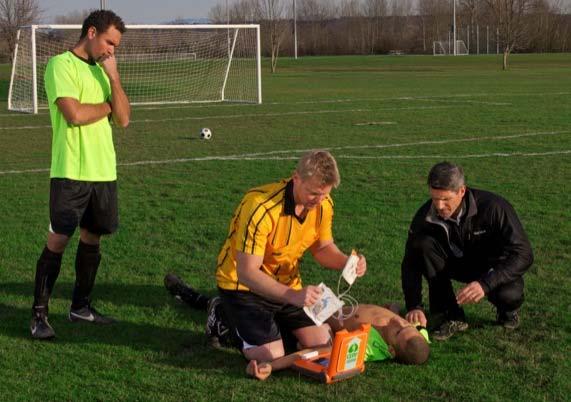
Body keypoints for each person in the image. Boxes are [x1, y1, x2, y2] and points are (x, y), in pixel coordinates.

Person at [202, 151, 367, 369]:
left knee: (323, 344)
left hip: (288, 285)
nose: (318, 201)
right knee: (270, 356)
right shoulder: (260, 207)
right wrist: (293, 296)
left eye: (324, 195)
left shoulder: (323, 205)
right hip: (242, 286)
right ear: (296, 178)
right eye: (313, 193)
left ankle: (273, 327)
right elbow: (247, 272)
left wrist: (346, 262)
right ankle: (222, 315)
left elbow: (323, 247)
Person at [30, 10, 130, 340]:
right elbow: (73, 114)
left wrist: (114, 80)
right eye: (109, 42)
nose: (111, 50)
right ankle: (39, 315)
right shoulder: (60, 65)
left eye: (115, 46)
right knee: (58, 240)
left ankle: (81, 307)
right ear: (91, 32)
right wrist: (108, 108)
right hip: (71, 170)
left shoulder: (105, 73)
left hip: (103, 170)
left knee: (93, 238)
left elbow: (125, 119)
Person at [164, 273, 430, 378]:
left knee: (261, 333)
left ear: (392, 350)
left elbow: (320, 351)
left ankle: (212, 311)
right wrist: (407, 312)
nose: (398, 322)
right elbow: (398, 316)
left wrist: (274, 366)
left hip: (314, 317)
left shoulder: (367, 346)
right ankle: (216, 305)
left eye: (398, 329)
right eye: (406, 325)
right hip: (315, 309)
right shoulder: (413, 334)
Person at [401, 161, 533, 341]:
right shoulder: (425, 216)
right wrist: (414, 305)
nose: (439, 206)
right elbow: (410, 263)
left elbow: (524, 253)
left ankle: (508, 312)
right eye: (435, 198)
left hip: (491, 265)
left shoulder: (494, 207)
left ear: (461, 191)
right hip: (455, 263)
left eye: (445, 199)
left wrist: (485, 283)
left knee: (509, 295)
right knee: (422, 245)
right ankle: (452, 315)